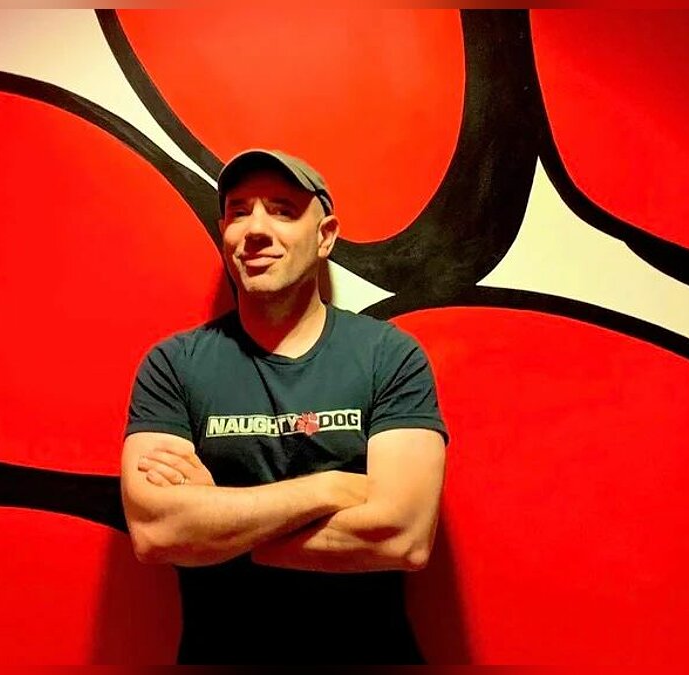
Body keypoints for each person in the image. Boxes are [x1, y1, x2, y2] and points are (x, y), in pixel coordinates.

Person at [121, 149, 449, 664]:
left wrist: (218, 523)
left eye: (282, 210)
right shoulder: (173, 365)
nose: (255, 229)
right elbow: (156, 533)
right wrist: (332, 487)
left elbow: (403, 539)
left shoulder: (389, 356)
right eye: (239, 211)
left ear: (325, 236)